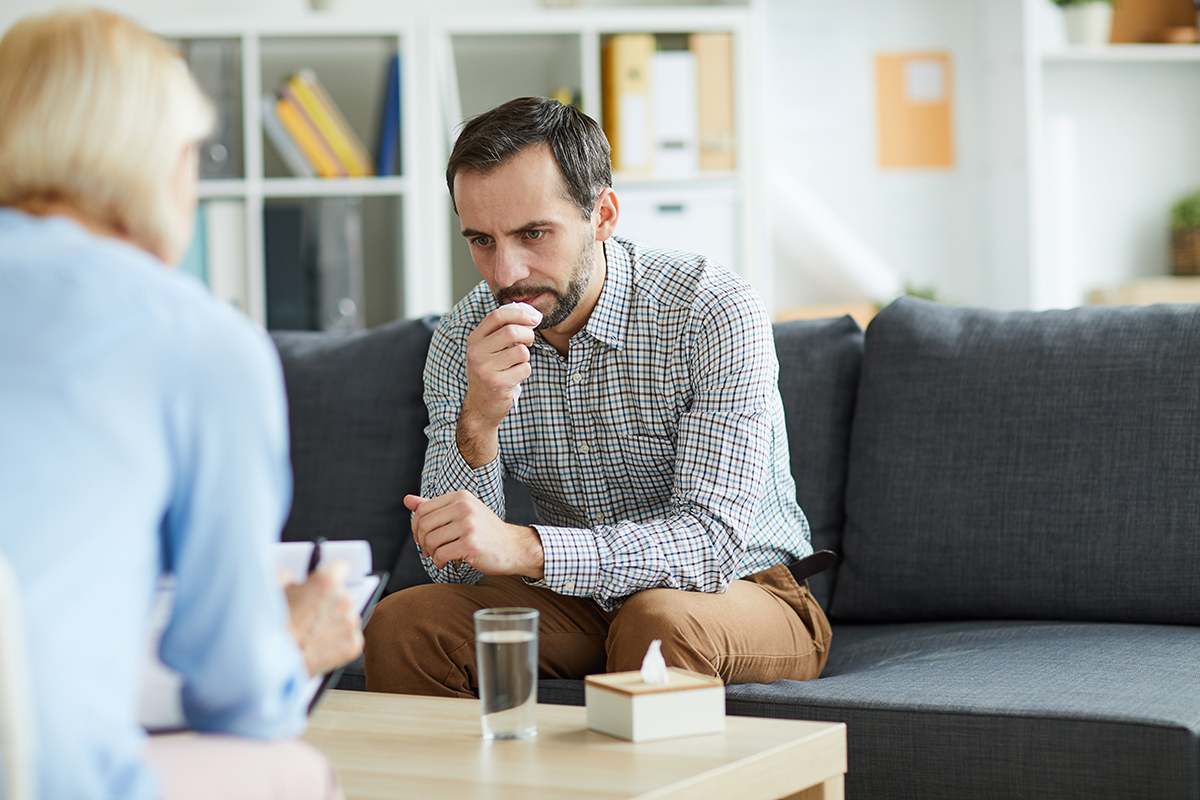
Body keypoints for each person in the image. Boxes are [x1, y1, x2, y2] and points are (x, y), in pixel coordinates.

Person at [0, 9, 362, 800]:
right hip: (37, 774)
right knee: (294, 772)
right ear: (161, 161)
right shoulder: (196, 337)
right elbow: (234, 694)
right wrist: (292, 644)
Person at [364, 96, 832, 697]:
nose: (506, 272)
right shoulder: (463, 338)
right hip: (580, 600)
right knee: (405, 624)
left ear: (603, 214)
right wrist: (478, 419)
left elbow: (714, 543)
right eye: (481, 240)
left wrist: (528, 547)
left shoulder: (709, 310)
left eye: (533, 233)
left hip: (741, 590)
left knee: (657, 622)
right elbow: (449, 562)